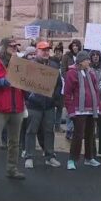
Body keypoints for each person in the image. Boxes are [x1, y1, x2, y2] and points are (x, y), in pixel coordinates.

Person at [0, 37, 26, 185]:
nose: (15, 49)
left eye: (16, 47)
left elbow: (25, 83)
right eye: (12, 47)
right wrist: (1, 82)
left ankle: (12, 169)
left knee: (14, 141)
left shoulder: (20, 65)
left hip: (17, 107)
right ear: (4, 48)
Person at [24, 41, 62, 169]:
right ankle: (29, 156)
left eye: (47, 50)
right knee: (31, 131)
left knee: (49, 131)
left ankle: (49, 156)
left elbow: (58, 85)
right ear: (37, 51)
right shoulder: (30, 66)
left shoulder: (54, 66)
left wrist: (54, 99)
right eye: (43, 50)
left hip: (49, 106)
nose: (46, 52)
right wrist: (29, 97)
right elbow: (23, 84)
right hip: (34, 105)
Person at [64, 51, 101, 170]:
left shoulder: (90, 73)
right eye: (87, 60)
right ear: (81, 62)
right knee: (78, 135)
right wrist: (70, 111)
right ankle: (72, 159)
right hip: (78, 110)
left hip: (91, 110)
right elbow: (67, 93)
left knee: (90, 134)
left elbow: (96, 90)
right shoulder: (71, 73)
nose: (89, 62)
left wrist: (98, 107)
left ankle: (89, 158)